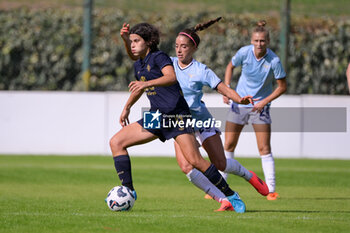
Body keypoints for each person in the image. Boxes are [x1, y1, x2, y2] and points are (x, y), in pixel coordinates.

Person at [120, 19, 269, 204]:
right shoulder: (167, 62)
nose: (179, 50)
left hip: (198, 120)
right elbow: (138, 59)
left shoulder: (201, 70)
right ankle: (224, 200)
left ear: (193, 48)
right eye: (176, 46)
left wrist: (239, 99)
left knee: (220, 164)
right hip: (174, 117)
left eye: (184, 46)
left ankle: (249, 176)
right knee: (186, 166)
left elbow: (222, 87)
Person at [222, 20, 287, 201]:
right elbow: (230, 66)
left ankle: (271, 190)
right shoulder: (244, 53)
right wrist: (227, 89)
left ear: (268, 42)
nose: (259, 44)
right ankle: (221, 186)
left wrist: (264, 102)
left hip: (260, 108)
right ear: (251, 41)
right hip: (239, 104)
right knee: (228, 145)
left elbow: (282, 87)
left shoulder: (274, 60)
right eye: (256, 41)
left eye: (263, 41)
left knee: (264, 148)